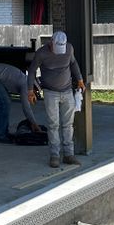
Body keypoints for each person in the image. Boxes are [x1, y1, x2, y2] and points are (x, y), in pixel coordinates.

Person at [28, 30, 85, 168]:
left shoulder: (69, 48)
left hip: (67, 91)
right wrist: (30, 90)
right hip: (50, 92)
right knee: (53, 125)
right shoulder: (42, 53)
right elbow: (31, 70)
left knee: (68, 124)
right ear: (51, 43)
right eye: (57, 48)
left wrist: (80, 80)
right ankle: (54, 155)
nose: (60, 51)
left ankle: (68, 155)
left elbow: (73, 64)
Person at [0, 61, 43, 143]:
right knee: (4, 104)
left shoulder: (25, 80)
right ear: (34, 87)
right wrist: (34, 123)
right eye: (36, 91)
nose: (34, 93)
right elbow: (26, 107)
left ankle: (3, 132)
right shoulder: (27, 85)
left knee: (6, 103)